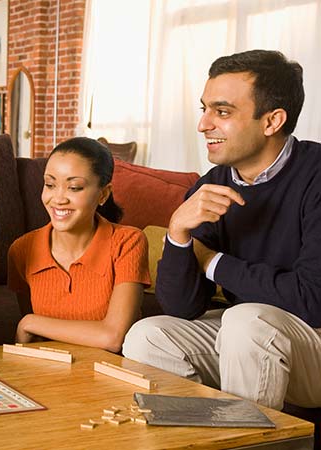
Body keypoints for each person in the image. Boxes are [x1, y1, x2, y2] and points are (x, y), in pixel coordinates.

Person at [123, 50, 321, 410]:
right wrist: (179, 234)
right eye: (205, 109)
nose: (203, 125)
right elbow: (182, 307)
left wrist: (211, 262)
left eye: (223, 111)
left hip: (312, 338)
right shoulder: (211, 186)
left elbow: (313, 301)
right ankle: (192, 437)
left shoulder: (317, 176)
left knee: (247, 321)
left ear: (272, 121)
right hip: (244, 337)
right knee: (147, 336)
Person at [7, 137, 150, 352]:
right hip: (48, 372)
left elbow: (113, 338)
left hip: (109, 373)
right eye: (50, 185)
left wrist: (30, 322)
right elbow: (33, 343)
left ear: (103, 194)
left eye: (74, 187)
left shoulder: (128, 242)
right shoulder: (22, 250)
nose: (58, 198)